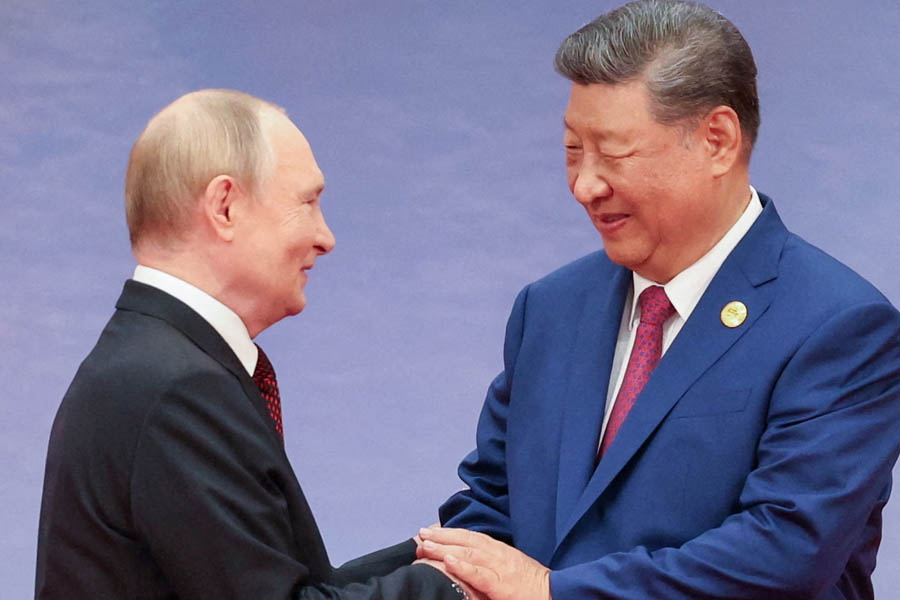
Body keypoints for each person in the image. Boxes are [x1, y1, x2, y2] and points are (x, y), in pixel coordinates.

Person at [416, 1, 900, 598]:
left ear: (717, 140)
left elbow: (785, 552)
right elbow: (491, 503)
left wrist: (553, 593)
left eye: (613, 153)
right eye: (572, 150)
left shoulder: (839, 327)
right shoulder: (550, 309)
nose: (585, 185)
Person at [35, 89, 472, 599]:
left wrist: (451, 555)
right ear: (225, 207)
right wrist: (456, 589)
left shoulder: (151, 364)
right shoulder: (178, 391)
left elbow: (280, 584)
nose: (325, 236)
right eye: (308, 202)